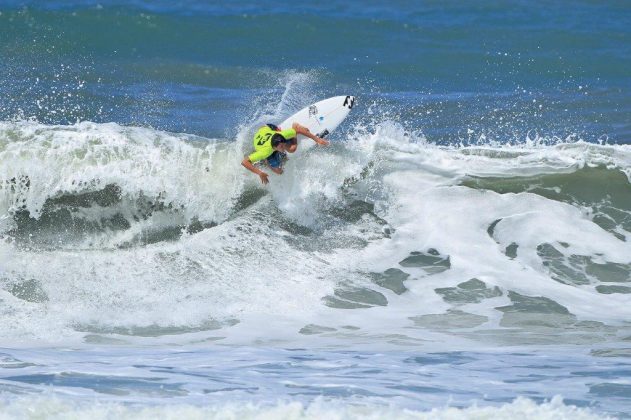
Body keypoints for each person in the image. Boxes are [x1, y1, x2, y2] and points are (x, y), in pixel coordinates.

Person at [241, 122, 329, 184]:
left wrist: (317, 139)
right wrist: (260, 173)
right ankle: (266, 161)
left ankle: (294, 125)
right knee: (279, 172)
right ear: (274, 148)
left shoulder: (281, 136)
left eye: (283, 145)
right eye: (281, 147)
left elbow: (299, 131)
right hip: (261, 135)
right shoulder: (265, 152)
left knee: (292, 149)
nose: (283, 149)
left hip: (268, 128)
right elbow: (244, 162)